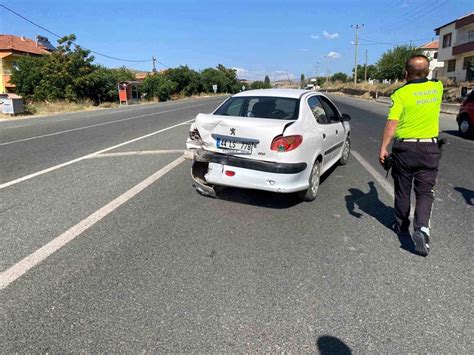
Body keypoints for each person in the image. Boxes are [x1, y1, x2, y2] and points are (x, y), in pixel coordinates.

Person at [379, 54, 443, 257]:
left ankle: (401, 226)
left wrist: (383, 147)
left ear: (405, 73)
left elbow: (392, 122)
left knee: (402, 191)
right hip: (429, 149)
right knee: (425, 192)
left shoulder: (400, 94)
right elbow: (430, 78)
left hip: (405, 149)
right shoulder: (437, 88)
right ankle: (422, 228)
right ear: (427, 72)